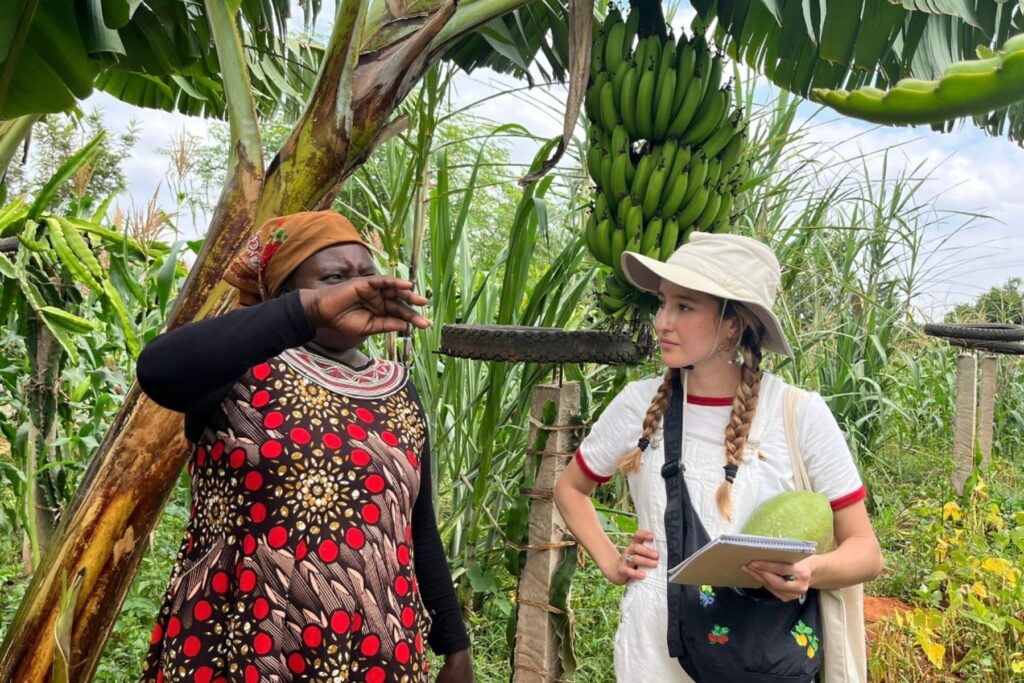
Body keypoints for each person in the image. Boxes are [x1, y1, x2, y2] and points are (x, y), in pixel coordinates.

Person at [136, 211, 474, 683]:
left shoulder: (396, 389)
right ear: (285, 295)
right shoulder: (235, 371)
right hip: (243, 640)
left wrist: (455, 647)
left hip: (371, 646)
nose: (357, 288)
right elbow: (157, 370)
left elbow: (416, 526)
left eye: (366, 273)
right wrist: (306, 314)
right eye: (334, 278)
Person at [554, 233, 884, 681]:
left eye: (685, 307)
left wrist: (810, 570)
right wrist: (612, 562)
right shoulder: (638, 404)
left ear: (733, 324)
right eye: (663, 303)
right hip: (653, 650)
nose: (663, 322)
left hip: (758, 652)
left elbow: (866, 552)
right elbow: (571, 487)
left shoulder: (797, 414)